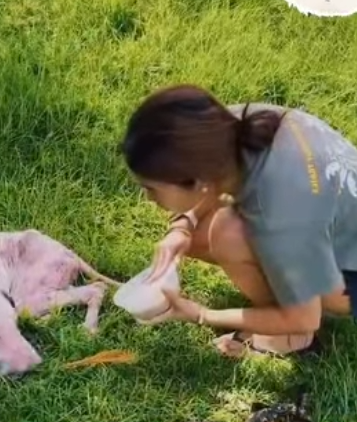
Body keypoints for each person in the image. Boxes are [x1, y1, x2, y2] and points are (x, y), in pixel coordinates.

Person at [120, 85, 357, 357]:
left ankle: (291, 339)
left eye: (151, 188)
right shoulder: (229, 129)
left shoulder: (282, 213)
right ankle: (284, 296)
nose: (148, 198)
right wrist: (183, 226)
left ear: (198, 181)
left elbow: (305, 318)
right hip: (329, 228)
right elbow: (215, 182)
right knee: (197, 238)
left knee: (227, 234)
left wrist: (202, 314)